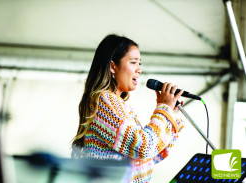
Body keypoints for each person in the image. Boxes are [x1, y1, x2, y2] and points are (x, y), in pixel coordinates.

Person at [72, 34, 184, 183]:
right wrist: (163, 110)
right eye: (133, 62)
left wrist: (170, 117)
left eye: (140, 63)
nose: (139, 70)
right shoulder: (105, 101)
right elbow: (144, 147)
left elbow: (150, 157)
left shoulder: (119, 105)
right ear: (113, 66)